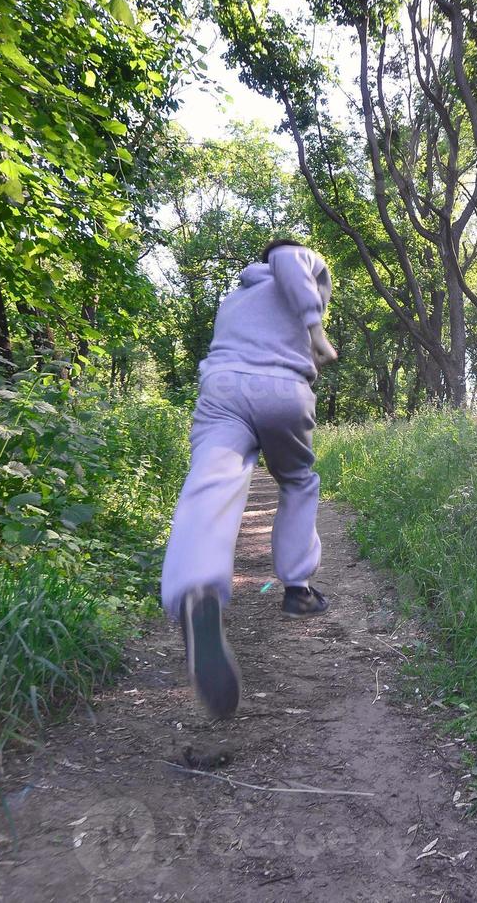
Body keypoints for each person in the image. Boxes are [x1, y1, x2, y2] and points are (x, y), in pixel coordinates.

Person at [160, 237, 339, 719]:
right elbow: (287, 257)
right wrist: (316, 331)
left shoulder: (235, 296)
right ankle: (298, 590)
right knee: (298, 480)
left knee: (210, 485)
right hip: (283, 389)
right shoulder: (295, 258)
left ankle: (197, 587)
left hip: (223, 388)